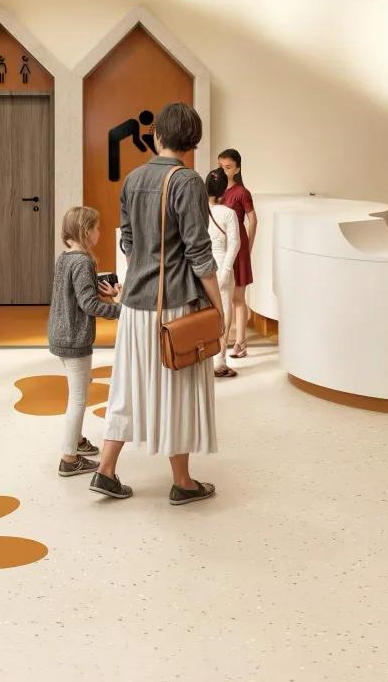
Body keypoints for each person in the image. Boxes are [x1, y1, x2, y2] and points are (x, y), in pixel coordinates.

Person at [93, 101, 227, 506]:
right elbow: (199, 254)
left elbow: (128, 240)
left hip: (135, 305)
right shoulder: (187, 182)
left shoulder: (133, 178)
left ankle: (105, 470)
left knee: (127, 384)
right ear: (194, 143)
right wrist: (218, 308)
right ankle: (183, 482)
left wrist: (144, 270)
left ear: (156, 136)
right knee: (178, 387)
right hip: (173, 306)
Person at [47, 207, 122, 477]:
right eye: (98, 227)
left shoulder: (65, 258)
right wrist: (119, 309)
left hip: (59, 333)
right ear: (86, 231)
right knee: (78, 398)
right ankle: (69, 458)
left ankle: (77, 442)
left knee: (81, 385)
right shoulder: (83, 263)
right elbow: (89, 305)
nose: (100, 232)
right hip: (74, 337)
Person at [217, 148, 256, 359]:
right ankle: (226, 342)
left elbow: (253, 219)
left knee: (237, 298)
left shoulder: (242, 192)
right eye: (221, 166)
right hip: (222, 249)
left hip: (237, 248)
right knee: (225, 297)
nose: (223, 170)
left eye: (228, 167)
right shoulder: (217, 190)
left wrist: (248, 248)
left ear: (237, 169)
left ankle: (240, 342)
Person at [205, 167, 243, 380]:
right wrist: (226, 270)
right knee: (224, 312)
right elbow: (234, 244)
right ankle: (219, 360)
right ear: (224, 191)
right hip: (221, 264)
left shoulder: (197, 210)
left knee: (201, 312)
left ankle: (201, 357)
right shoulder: (228, 213)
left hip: (200, 266)